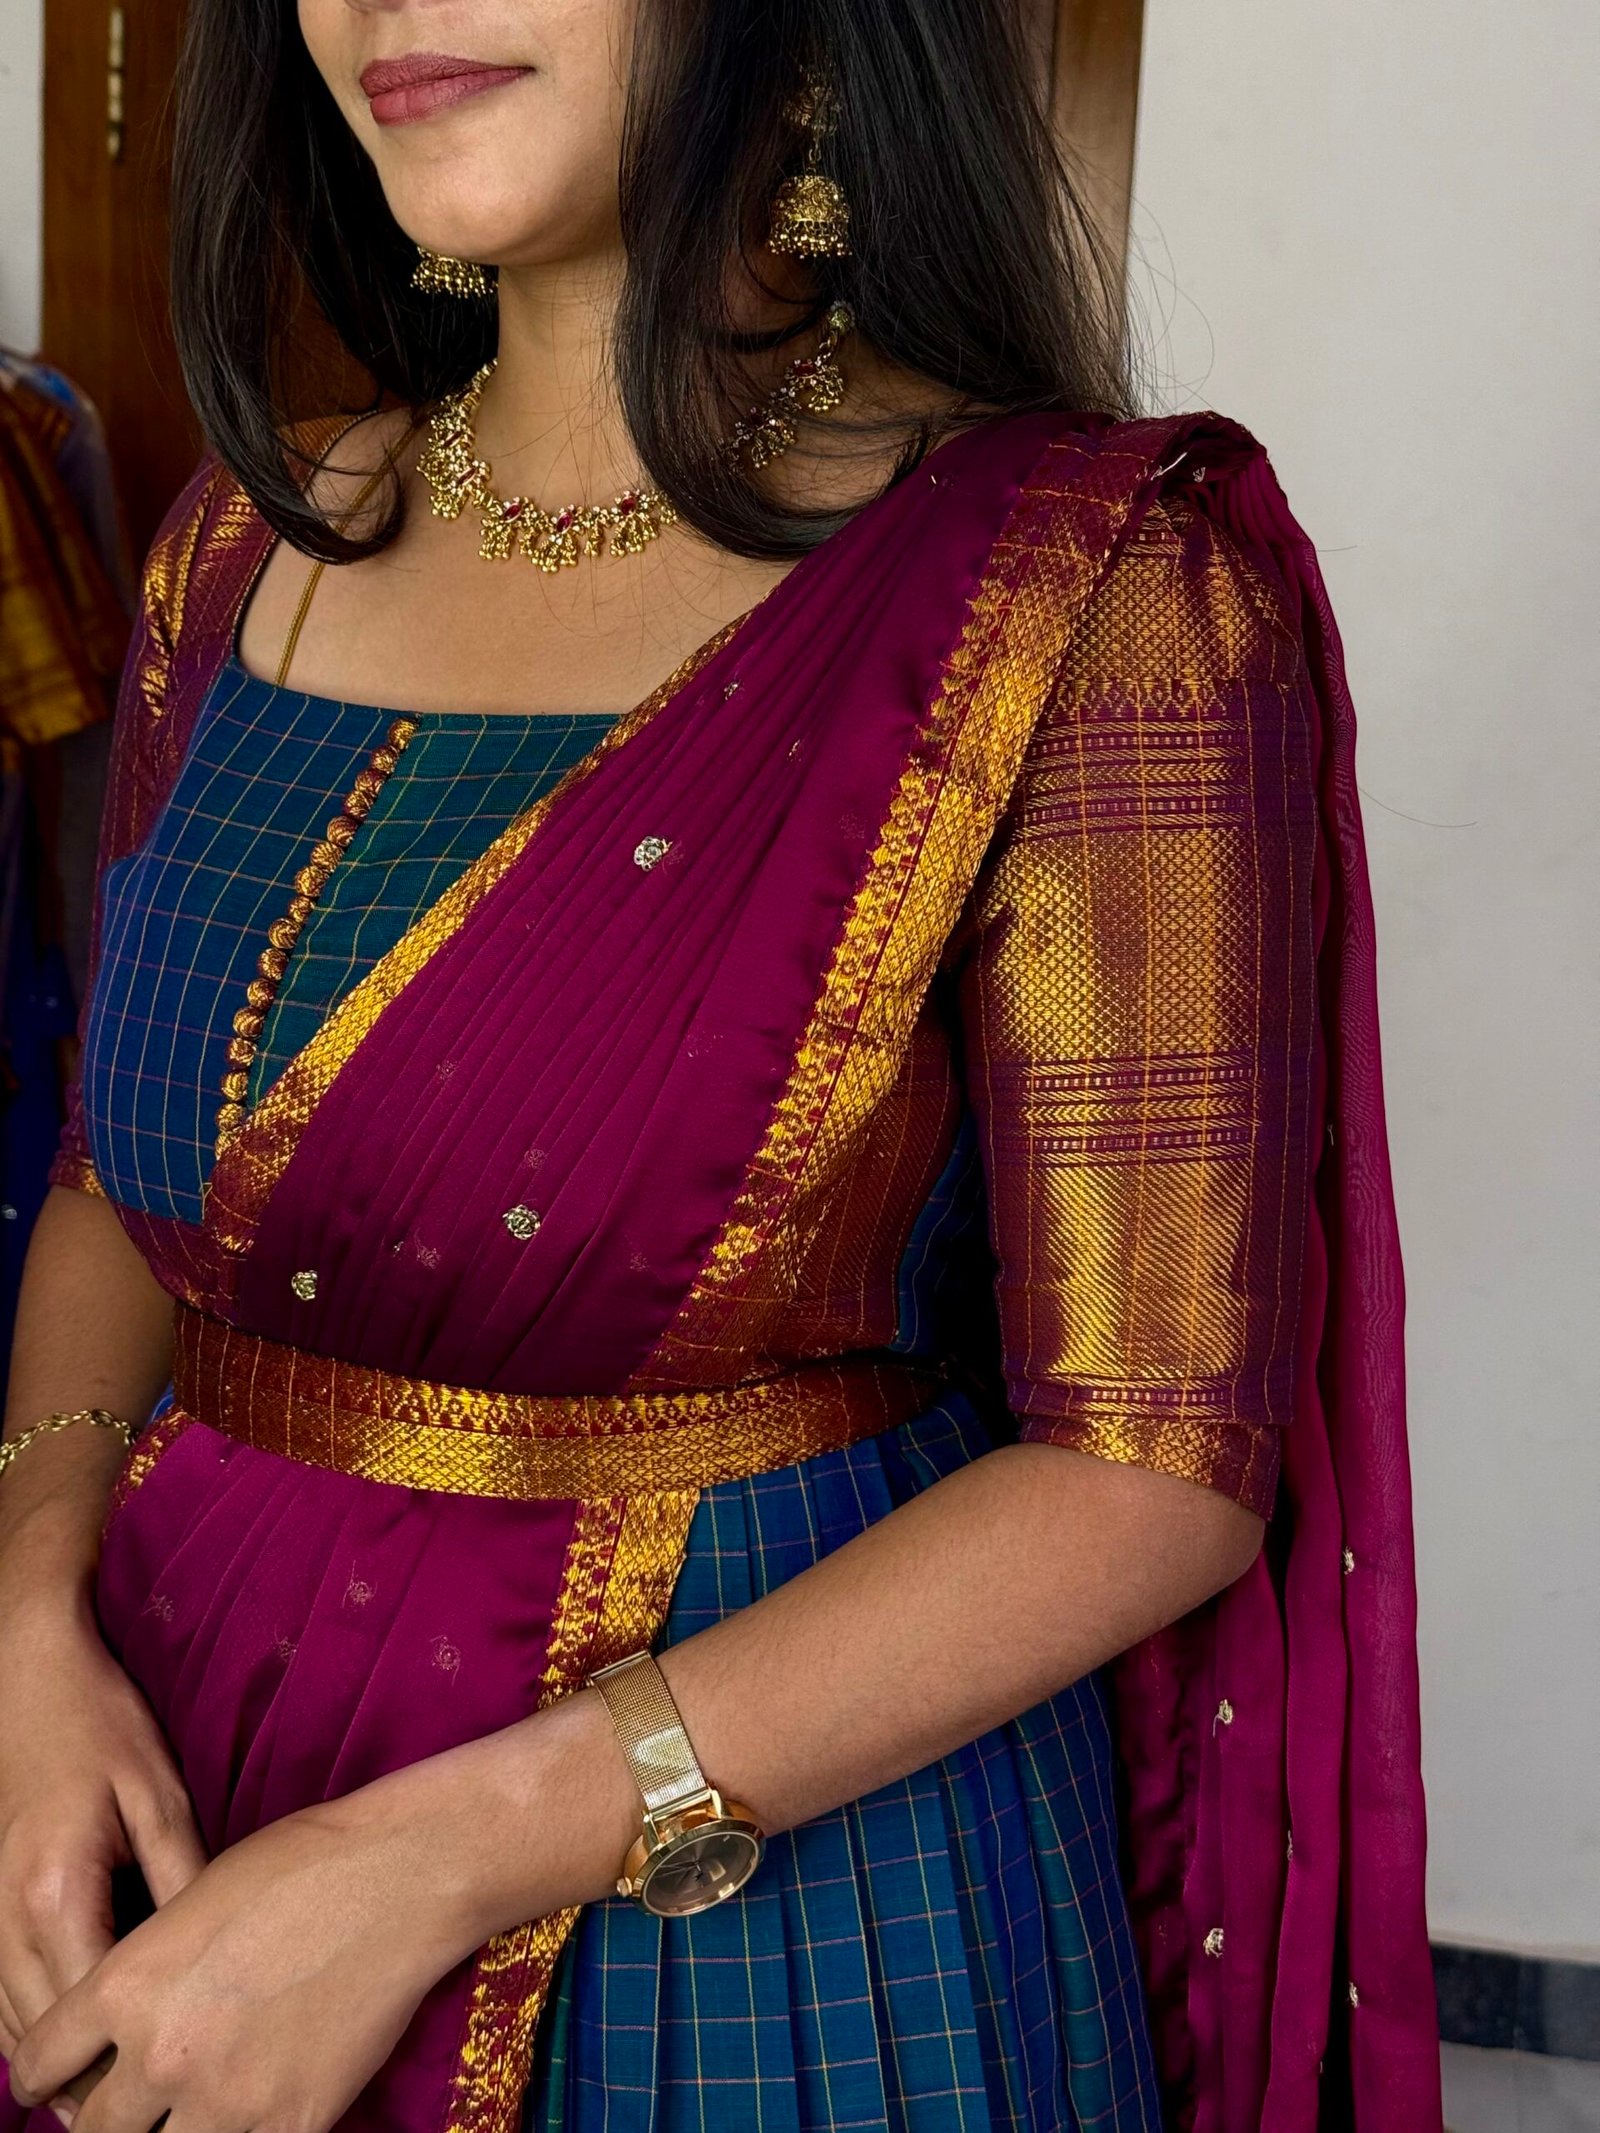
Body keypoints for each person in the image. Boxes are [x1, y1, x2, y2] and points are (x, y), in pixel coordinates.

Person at [0, 2, 1441, 2128]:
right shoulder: (246, 542)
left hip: (763, 1904)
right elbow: (125, 1188)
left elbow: (1149, 1468)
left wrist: (433, 1856)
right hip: (173, 1756)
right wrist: (28, 1614)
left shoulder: (1083, 585)